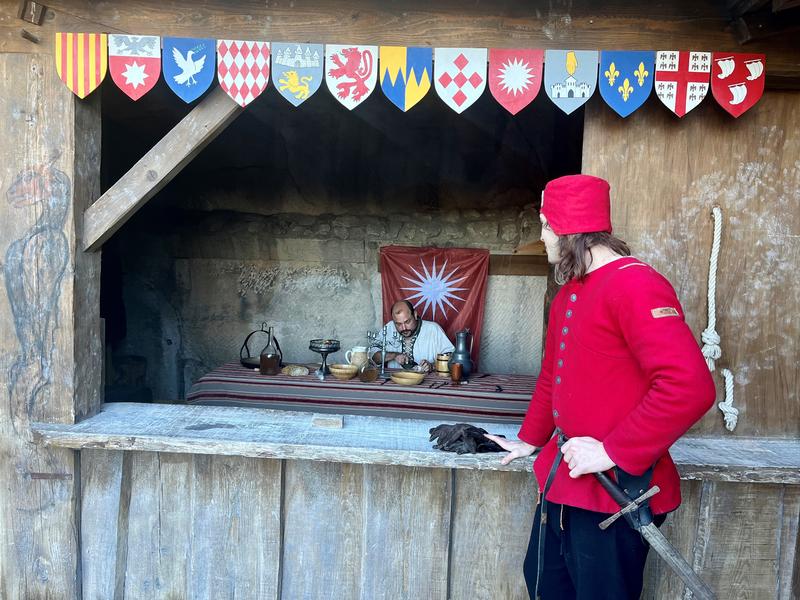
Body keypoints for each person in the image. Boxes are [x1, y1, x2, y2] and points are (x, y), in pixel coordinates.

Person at [485, 174, 716, 600]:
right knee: (545, 584)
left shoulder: (636, 285)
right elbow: (554, 377)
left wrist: (612, 451)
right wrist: (528, 439)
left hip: (615, 492)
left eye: (545, 226)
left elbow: (689, 386)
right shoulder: (570, 293)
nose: (542, 237)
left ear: (566, 229)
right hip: (565, 480)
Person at [374, 300, 454, 373]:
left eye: (407, 322)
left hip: (427, 385)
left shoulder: (433, 329)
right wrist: (394, 355)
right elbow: (373, 356)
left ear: (415, 315)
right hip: (395, 383)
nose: (404, 328)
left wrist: (432, 366)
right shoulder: (389, 328)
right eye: (398, 324)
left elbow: (452, 358)